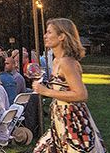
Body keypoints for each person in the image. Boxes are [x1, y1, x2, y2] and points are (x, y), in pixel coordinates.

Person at [33, 18, 105, 152]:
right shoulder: (56, 61)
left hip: (73, 121)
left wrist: (46, 91)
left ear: (61, 36)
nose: (45, 36)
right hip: (60, 119)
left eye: (49, 32)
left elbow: (81, 94)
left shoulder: (67, 63)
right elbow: (63, 89)